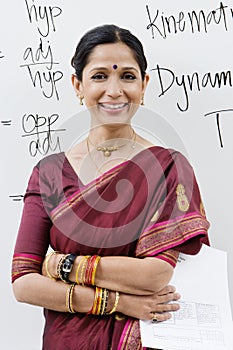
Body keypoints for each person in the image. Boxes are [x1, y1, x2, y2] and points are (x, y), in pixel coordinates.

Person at [11, 24, 210, 350]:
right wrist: (119, 302)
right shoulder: (49, 173)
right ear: (78, 85)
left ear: (144, 85)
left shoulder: (169, 166)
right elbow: (24, 283)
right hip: (67, 342)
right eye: (100, 76)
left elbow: (155, 274)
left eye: (128, 76)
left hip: (142, 340)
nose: (114, 90)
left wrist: (61, 265)